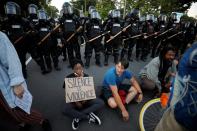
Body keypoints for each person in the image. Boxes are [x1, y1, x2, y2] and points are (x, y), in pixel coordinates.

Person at [0, 31, 52, 131]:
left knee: (18, 110)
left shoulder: (0, 37)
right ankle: (22, 125)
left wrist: (17, 83)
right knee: (5, 116)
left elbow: (11, 59)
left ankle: (42, 120)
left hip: (2, 87)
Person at [155, 42, 197, 131]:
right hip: (153, 79)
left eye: (172, 55)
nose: (171, 57)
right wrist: (160, 87)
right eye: (169, 55)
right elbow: (153, 77)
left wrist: (170, 83)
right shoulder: (157, 61)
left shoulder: (173, 63)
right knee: (152, 85)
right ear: (163, 54)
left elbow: (176, 75)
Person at [62, 59, 104, 130]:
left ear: (82, 67)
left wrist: (86, 99)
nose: (79, 70)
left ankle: (77, 116)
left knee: (101, 103)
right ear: (73, 69)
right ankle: (88, 116)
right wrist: (76, 102)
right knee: (65, 109)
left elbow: (91, 91)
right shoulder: (68, 78)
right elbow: (67, 94)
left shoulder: (87, 77)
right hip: (75, 102)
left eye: (80, 68)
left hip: (86, 101)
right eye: (76, 68)